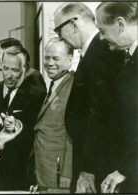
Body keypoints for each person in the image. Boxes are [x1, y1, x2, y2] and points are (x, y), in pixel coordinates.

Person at [53, 3, 125, 192]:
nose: (59, 37)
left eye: (59, 30)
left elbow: (101, 117)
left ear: (73, 24)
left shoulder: (102, 53)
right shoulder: (93, 52)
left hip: (98, 165)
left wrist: (88, 169)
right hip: (92, 159)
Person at [0, 46, 46, 190]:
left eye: (15, 70)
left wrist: (16, 125)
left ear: (25, 68)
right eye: (6, 68)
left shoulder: (35, 94)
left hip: (18, 172)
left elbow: (29, 131)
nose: (9, 75)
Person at [93, 2, 137, 193]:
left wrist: (125, 170)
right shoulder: (129, 59)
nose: (101, 38)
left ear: (120, 24)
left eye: (102, 31)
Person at [33, 37, 74, 189]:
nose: (50, 63)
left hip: (58, 175)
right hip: (45, 171)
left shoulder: (72, 88)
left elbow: (71, 135)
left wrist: (66, 174)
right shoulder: (54, 85)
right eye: (47, 58)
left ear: (69, 60)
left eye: (56, 58)